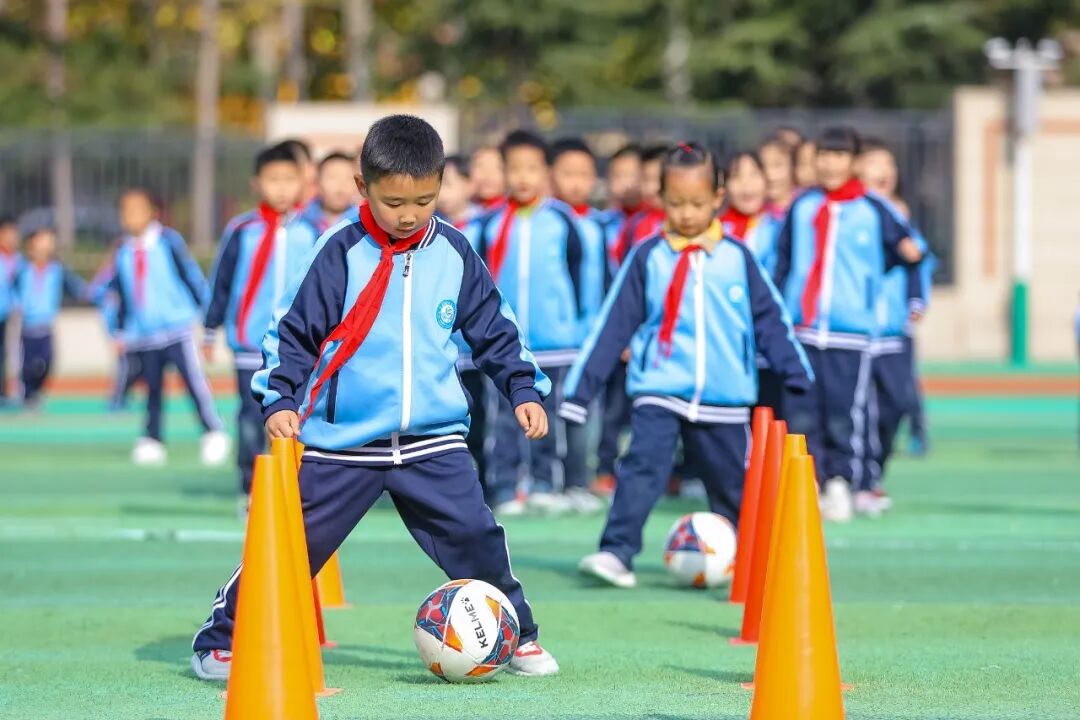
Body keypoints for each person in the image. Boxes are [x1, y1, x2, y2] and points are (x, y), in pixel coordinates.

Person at [191, 113, 560, 681]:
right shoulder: (337, 251)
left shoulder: (455, 251)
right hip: (344, 444)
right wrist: (280, 398)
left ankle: (517, 636)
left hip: (433, 441)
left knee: (477, 538)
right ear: (363, 187)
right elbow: (292, 332)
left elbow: (495, 329)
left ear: (441, 185)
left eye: (425, 200)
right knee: (290, 548)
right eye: (393, 202)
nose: (409, 215)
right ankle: (221, 639)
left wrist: (522, 388)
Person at [561, 142, 812, 588]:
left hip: (725, 397)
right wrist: (580, 391)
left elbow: (771, 319)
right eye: (676, 203)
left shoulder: (737, 258)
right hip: (659, 388)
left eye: (697, 203)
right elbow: (612, 325)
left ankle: (751, 564)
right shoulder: (648, 256)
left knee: (733, 484)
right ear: (661, 198)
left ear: (718, 197)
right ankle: (617, 551)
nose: (687, 214)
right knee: (640, 469)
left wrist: (796, 371)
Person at [772, 127, 923, 523]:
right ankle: (811, 480)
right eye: (824, 155)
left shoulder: (873, 209)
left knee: (844, 411)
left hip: (850, 332)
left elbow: (909, 253)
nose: (830, 163)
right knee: (802, 411)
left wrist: (878, 292)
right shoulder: (803, 206)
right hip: (803, 329)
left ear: (854, 162)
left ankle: (843, 480)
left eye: (839, 156)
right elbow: (783, 260)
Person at [204, 142, 321, 504]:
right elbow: (221, 282)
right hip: (250, 344)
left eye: (289, 179)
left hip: (299, 347)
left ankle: (294, 490)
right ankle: (250, 487)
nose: (281, 188)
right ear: (256, 184)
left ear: (302, 183)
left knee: (297, 418)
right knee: (251, 417)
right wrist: (209, 329)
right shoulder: (242, 230)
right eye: (273, 180)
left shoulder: (313, 232)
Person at [475, 130, 584, 516]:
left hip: (554, 342)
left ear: (546, 172)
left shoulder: (562, 220)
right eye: (514, 168)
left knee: (548, 414)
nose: (523, 177)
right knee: (503, 417)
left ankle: (544, 482)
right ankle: (504, 485)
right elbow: (479, 283)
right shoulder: (490, 224)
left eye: (532, 168)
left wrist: (574, 326)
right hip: (504, 345)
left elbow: (578, 275)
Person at [105, 188, 229, 466]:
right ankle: (152, 439)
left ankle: (213, 431)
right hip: (144, 335)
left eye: (137, 209)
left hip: (177, 330)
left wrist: (207, 314)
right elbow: (123, 293)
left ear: (153, 212)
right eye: (125, 210)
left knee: (194, 383)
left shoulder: (168, 242)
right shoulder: (123, 251)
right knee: (152, 390)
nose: (130, 216)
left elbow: (190, 276)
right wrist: (121, 331)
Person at [857, 138, 933, 515]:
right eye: (875, 163)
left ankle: (874, 469)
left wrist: (917, 300)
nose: (884, 171)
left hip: (893, 333)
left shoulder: (899, 216)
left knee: (896, 405)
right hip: (859, 333)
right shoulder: (854, 214)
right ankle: (861, 480)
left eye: (889, 164)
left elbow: (917, 259)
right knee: (860, 410)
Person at [548, 137, 608, 514]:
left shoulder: (598, 226)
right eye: (567, 173)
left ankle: (579, 480)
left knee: (585, 413)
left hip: (591, 338)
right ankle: (551, 482)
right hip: (559, 339)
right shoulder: (548, 223)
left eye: (584, 174)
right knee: (553, 412)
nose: (576, 182)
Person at [720, 150, 788, 415]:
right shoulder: (715, 232)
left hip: (767, 345)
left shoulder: (780, 227)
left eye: (753, 175)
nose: (746, 185)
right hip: (726, 349)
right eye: (737, 177)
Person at [12, 227, 87, 409]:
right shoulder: (22, 269)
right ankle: (27, 395)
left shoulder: (57, 270)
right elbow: (11, 289)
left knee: (46, 362)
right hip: (27, 326)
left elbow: (78, 287)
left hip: (46, 326)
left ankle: (36, 392)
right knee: (28, 363)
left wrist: (94, 294)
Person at [611, 144, 668, 266]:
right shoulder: (634, 224)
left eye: (659, 179)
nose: (652, 188)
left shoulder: (683, 223)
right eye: (646, 179)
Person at [303, 151, 361, 233]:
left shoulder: (361, 223)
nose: (340, 187)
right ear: (318, 182)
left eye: (348, 178)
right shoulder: (301, 220)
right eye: (332, 177)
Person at [0, 215, 21, 404]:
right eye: (11, 233)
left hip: (8, 313)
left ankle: (8, 390)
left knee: (9, 352)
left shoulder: (17, 259)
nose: (14, 237)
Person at [759, 132, 798, 217]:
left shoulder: (808, 205)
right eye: (763, 166)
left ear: (792, 168)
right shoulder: (755, 214)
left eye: (777, 165)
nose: (770, 175)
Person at [470, 145, 506, 211]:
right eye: (480, 166)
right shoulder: (461, 211)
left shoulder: (514, 213)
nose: (487, 175)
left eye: (495, 168)